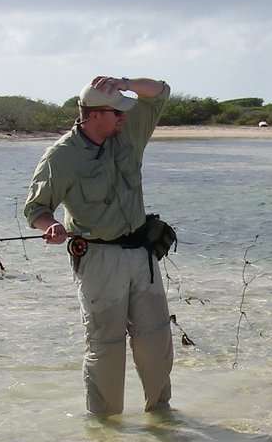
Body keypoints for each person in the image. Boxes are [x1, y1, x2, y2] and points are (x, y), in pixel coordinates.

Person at [24, 75, 174, 416]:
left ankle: (162, 416)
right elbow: (35, 209)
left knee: (156, 340)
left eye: (124, 112)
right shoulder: (60, 157)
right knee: (105, 346)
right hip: (97, 259)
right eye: (117, 112)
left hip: (141, 253)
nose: (124, 117)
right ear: (94, 114)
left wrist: (125, 82)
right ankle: (106, 428)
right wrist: (52, 227)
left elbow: (161, 93)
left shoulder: (129, 134)